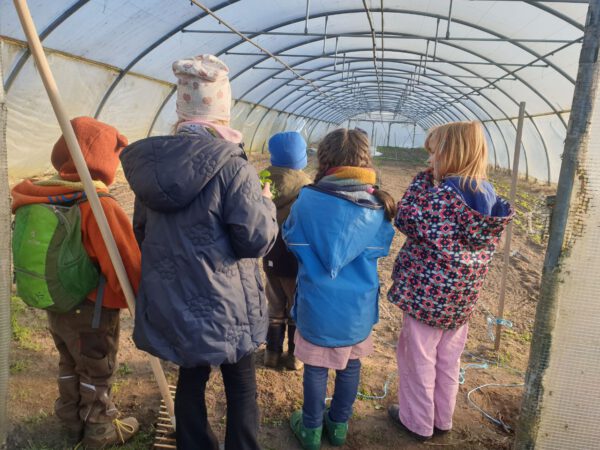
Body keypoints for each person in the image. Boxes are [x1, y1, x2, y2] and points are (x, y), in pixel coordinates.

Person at [120, 54, 278, 450]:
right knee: (240, 380)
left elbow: (142, 230)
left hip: (175, 297)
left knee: (191, 375)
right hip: (228, 302)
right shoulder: (233, 167)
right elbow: (254, 240)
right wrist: (266, 205)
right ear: (222, 113)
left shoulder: (154, 169)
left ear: (181, 112)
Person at [11, 117, 141, 448]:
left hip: (57, 302)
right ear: (105, 159)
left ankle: (70, 423)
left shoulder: (43, 195)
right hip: (93, 311)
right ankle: (99, 430)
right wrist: (139, 298)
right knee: (97, 370)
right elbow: (125, 265)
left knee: (69, 362)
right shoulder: (98, 205)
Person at [387, 121, 514, 441]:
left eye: (434, 155)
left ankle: (416, 422)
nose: (430, 163)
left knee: (418, 358)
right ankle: (442, 418)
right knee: (448, 359)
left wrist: (419, 183)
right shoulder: (486, 194)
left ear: (452, 155)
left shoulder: (442, 196)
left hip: (427, 299)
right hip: (461, 300)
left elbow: (405, 218)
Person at [283, 128, 396, 450]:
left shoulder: (308, 197)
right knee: (351, 365)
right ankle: (340, 424)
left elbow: (291, 237)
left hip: (317, 302)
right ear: (364, 159)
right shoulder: (379, 204)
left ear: (325, 159)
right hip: (358, 307)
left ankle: (311, 430)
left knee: (316, 367)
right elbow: (380, 249)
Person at [262, 131, 312, 371]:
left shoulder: (262, 180)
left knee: (274, 302)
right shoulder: (307, 185)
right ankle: (294, 355)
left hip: (269, 252)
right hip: (295, 256)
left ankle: (271, 353)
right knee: (295, 304)